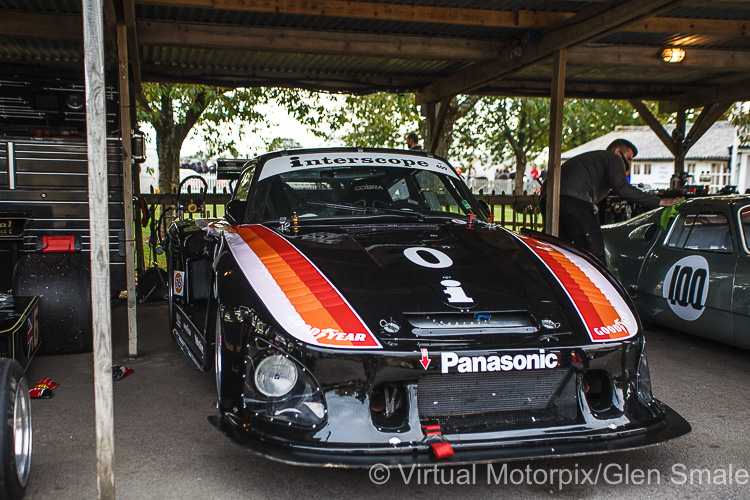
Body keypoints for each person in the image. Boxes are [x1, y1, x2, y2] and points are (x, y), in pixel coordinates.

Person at [539, 138, 681, 262]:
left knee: (561, 250)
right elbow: (622, 187)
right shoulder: (613, 158)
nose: (628, 165)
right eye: (629, 158)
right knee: (594, 253)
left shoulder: (595, 162)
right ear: (617, 151)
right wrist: (659, 202)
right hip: (574, 200)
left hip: (549, 199)